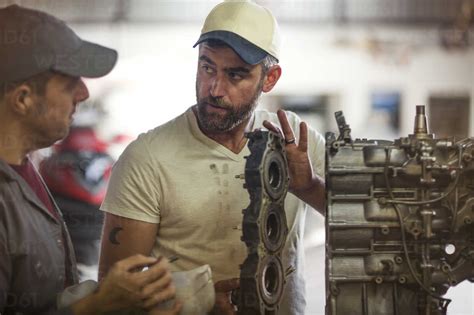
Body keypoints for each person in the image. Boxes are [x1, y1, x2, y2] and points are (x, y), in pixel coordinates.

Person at [99, 1, 325, 314]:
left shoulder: (299, 144)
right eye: (207, 68)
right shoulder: (147, 158)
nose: (215, 89)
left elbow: (360, 225)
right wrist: (196, 304)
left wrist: (310, 186)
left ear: (270, 78)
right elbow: (113, 294)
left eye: (236, 75)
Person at [0, 5, 180, 315]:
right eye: (70, 83)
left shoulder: (28, 170)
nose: (83, 93)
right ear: (23, 99)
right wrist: (96, 307)